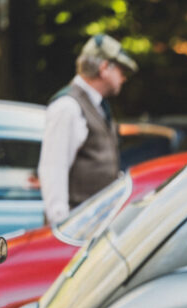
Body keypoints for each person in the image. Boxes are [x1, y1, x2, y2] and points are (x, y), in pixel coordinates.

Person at [37, 34, 137, 226]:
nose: (124, 78)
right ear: (104, 68)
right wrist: (61, 227)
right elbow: (53, 170)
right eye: (121, 70)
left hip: (92, 226)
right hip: (76, 229)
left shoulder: (97, 104)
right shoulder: (67, 106)